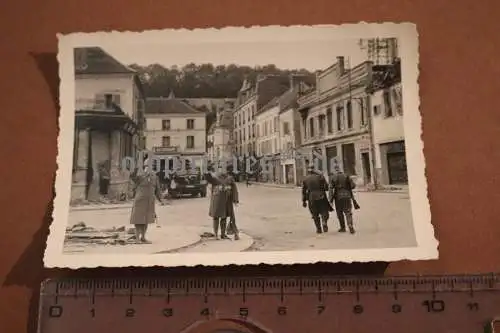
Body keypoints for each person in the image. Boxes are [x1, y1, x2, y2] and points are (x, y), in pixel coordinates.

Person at [129, 160, 164, 244]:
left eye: (151, 166)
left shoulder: (155, 177)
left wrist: (161, 199)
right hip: (140, 201)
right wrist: (136, 168)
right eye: (148, 166)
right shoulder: (140, 176)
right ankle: (137, 238)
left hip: (150, 202)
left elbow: (157, 190)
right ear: (144, 166)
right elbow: (132, 176)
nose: (150, 168)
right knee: (138, 220)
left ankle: (143, 237)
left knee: (147, 220)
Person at [205, 165, 239, 240]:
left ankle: (223, 235)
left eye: (223, 169)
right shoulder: (215, 177)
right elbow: (208, 178)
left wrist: (235, 200)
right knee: (216, 217)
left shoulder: (230, 178)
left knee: (224, 218)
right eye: (220, 168)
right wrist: (207, 171)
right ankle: (216, 234)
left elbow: (234, 189)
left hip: (226, 201)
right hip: (216, 201)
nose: (222, 170)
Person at [302, 165, 333, 234]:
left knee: (314, 214)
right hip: (321, 195)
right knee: (324, 211)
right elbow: (326, 187)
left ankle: (318, 229)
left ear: (308, 171)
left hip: (311, 197)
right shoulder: (320, 177)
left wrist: (304, 201)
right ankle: (324, 221)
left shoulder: (305, 179)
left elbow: (303, 191)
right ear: (314, 170)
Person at [328, 166, 356, 234]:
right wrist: (347, 186)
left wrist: (330, 200)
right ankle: (350, 225)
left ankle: (342, 228)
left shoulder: (333, 177)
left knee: (339, 213)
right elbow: (353, 186)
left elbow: (330, 189)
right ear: (341, 170)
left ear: (335, 170)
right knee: (348, 211)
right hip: (347, 195)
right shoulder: (346, 176)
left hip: (338, 197)